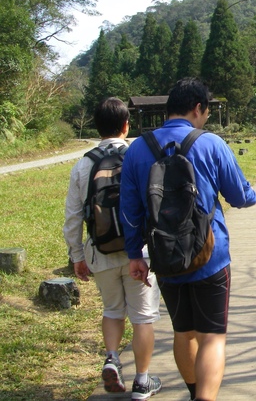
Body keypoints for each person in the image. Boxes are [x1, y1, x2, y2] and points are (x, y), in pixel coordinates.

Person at [120, 78, 256, 401]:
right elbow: (240, 196)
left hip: (166, 258)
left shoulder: (138, 149)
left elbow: (129, 211)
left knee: (183, 333)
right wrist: (252, 195)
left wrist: (134, 255)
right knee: (212, 338)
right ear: (199, 108)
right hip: (211, 256)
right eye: (206, 111)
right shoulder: (210, 144)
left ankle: (196, 392)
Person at [63, 98, 162, 399]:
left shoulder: (83, 164)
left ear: (97, 126)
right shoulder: (139, 155)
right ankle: (143, 381)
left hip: (100, 251)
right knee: (143, 316)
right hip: (141, 251)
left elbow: (73, 216)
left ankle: (112, 359)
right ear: (126, 125)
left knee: (112, 310)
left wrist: (77, 255)